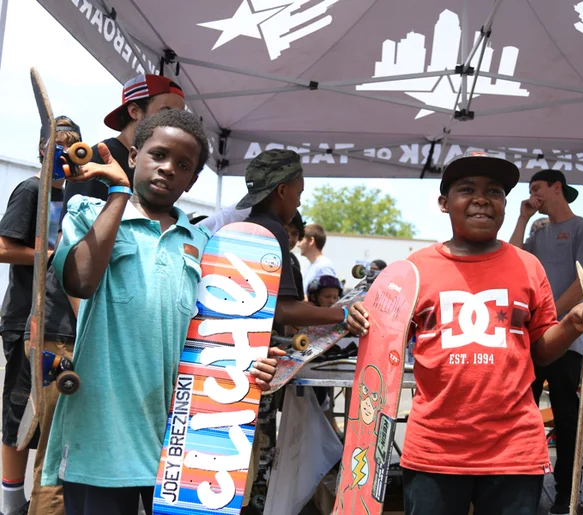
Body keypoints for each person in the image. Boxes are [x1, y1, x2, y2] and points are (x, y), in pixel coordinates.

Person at [39, 110, 280, 515]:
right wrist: (116, 193)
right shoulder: (88, 213)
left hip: (181, 441)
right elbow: (80, 280)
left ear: (193, 180)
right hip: (101, 434)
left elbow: (221, 337)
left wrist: (250, 365)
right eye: (159, 155)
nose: (168, 168)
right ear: (133, 156)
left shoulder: (208, 245)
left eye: (183, 165)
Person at [345, 150, 583, 515]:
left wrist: (571, 324)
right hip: (434, 450)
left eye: (495, 191)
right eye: (467, 189)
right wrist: (359, 318)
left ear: (504, 204)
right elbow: (382, 345)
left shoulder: (528, 266)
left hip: (515, 450)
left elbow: (541, 351)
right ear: (443, 203)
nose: (482, 198)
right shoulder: (413, 271)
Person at [234, 150, 351, 515]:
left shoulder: (242, 228)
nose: (301, 198)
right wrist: (343, 314)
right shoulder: (271, 235)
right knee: (258, 457)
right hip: (260, 368)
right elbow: (283, 308)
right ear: (283, 190)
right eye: (299, 190)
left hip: (230, 359)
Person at [509, 169, 583, 514]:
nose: (533, 194)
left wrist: (553, 321)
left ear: (556, 188)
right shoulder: (538, 233)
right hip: (533, 342)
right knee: (521, 416)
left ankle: (566, 495)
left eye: (537, 188)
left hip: (570, 342)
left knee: (567, 421)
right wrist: (522, 216)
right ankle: (522, 491)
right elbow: (509, 260)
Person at [0, 117, 81, 515]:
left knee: (47, 420)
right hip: (26, 320)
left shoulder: (72, 198)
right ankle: (11, 505)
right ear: (42, 149)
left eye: (73, 146)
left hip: (59, 322)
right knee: (18, 416)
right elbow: (3, 247)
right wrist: (52, 255)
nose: (65, 153)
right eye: (57, 145)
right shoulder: (33, 188)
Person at [297, 223, 336, 294]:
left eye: (300, 240)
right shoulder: (315, 265)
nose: (298, 245)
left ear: (311, 241)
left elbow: (328, 298)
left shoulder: (323, 266)